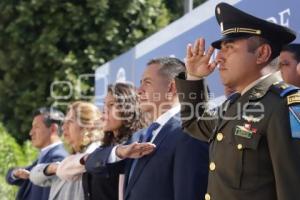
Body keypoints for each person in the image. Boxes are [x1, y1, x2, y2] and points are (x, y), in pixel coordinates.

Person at [175, 2, 299, 200]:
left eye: (229, 48)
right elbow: (194, 123)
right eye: (220, 49)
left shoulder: (286, 105)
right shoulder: (233, 104)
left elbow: (293, 189)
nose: (219, 58)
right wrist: (194, 78)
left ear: (262, 54)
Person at [85, 57, 209, 200]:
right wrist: (119, 151)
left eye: (147, 83)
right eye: (140, 83)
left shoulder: (189, 132)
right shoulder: (139, 137)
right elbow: (92, 163)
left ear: (172, 87)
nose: (139, 91)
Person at [63, 83, 147, 200]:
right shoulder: (104, 146)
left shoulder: (137, 147)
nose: (104, 112)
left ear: (128, 108)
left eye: (111, 105)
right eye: (104, 106)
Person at [29, 101, 103, 200]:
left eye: (70, 122)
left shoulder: (96, 158)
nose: (64, 127)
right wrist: (52, 168)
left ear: (87, 126)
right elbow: (34, 175)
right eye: (64, 122)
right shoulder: (68, 161)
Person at [6, 107, 68, 200]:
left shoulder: (58, 158)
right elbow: (10, 177)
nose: (31, 132)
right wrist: (15, 173)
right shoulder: (45, 158)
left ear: (53, 129)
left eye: (36, 127)